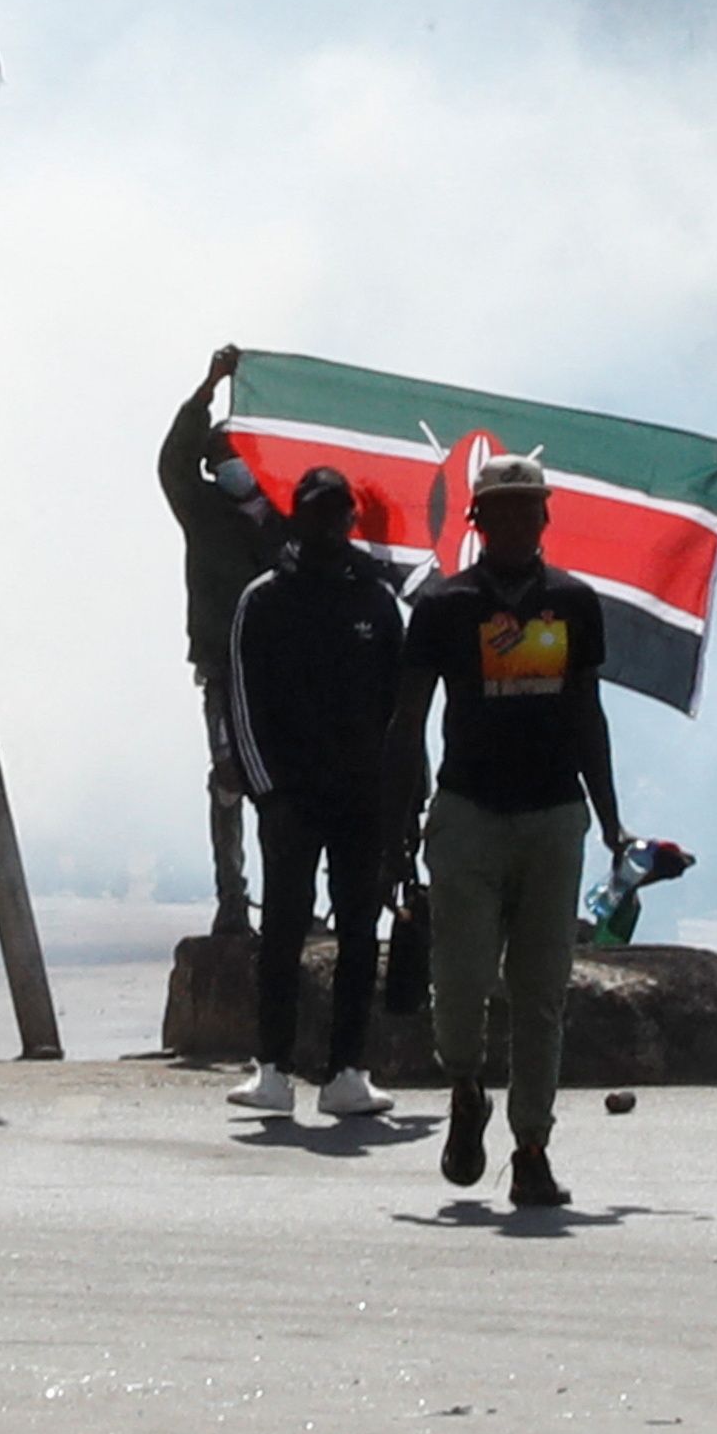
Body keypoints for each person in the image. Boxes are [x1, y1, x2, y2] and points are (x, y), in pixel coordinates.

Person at [394, 454, 627, 1209]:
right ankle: (465, 1088)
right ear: (478, 521)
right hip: (468, 812)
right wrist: (400, 816)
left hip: (554, 815)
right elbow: (409, 719)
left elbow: (587, 714)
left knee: (541, 991)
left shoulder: (574, 603)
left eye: (531, 508)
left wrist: (612, 821)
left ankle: (531, 1147)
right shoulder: (444, 605)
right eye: (505, 510)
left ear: (546, 517)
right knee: (460, 983)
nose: (521, 521)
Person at [223, 466, 409, 1121]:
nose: (330, 524)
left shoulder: (376, 601)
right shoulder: (263, 599)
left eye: (339, 512)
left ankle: (347, 1074)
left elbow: (401, 710)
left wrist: (401, 802)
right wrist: (267, 796)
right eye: (317, 511)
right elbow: (241, 705)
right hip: (291, 799)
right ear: (296, 515)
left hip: (361, 798)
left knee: (360, 932)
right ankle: (272, 1070)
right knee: (282, 929)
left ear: (351, 519)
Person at [162, 344, 272, 940]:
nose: (229, 465)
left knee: (287, 786)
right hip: (225, 670)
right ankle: (232, 899)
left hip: (283, 672)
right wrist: (207, 387)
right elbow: (172, 463)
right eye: (219, 458)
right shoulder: (204, 512)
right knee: (228, 779)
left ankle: (290, 899)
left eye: (237, 455)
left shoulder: (288, 514)